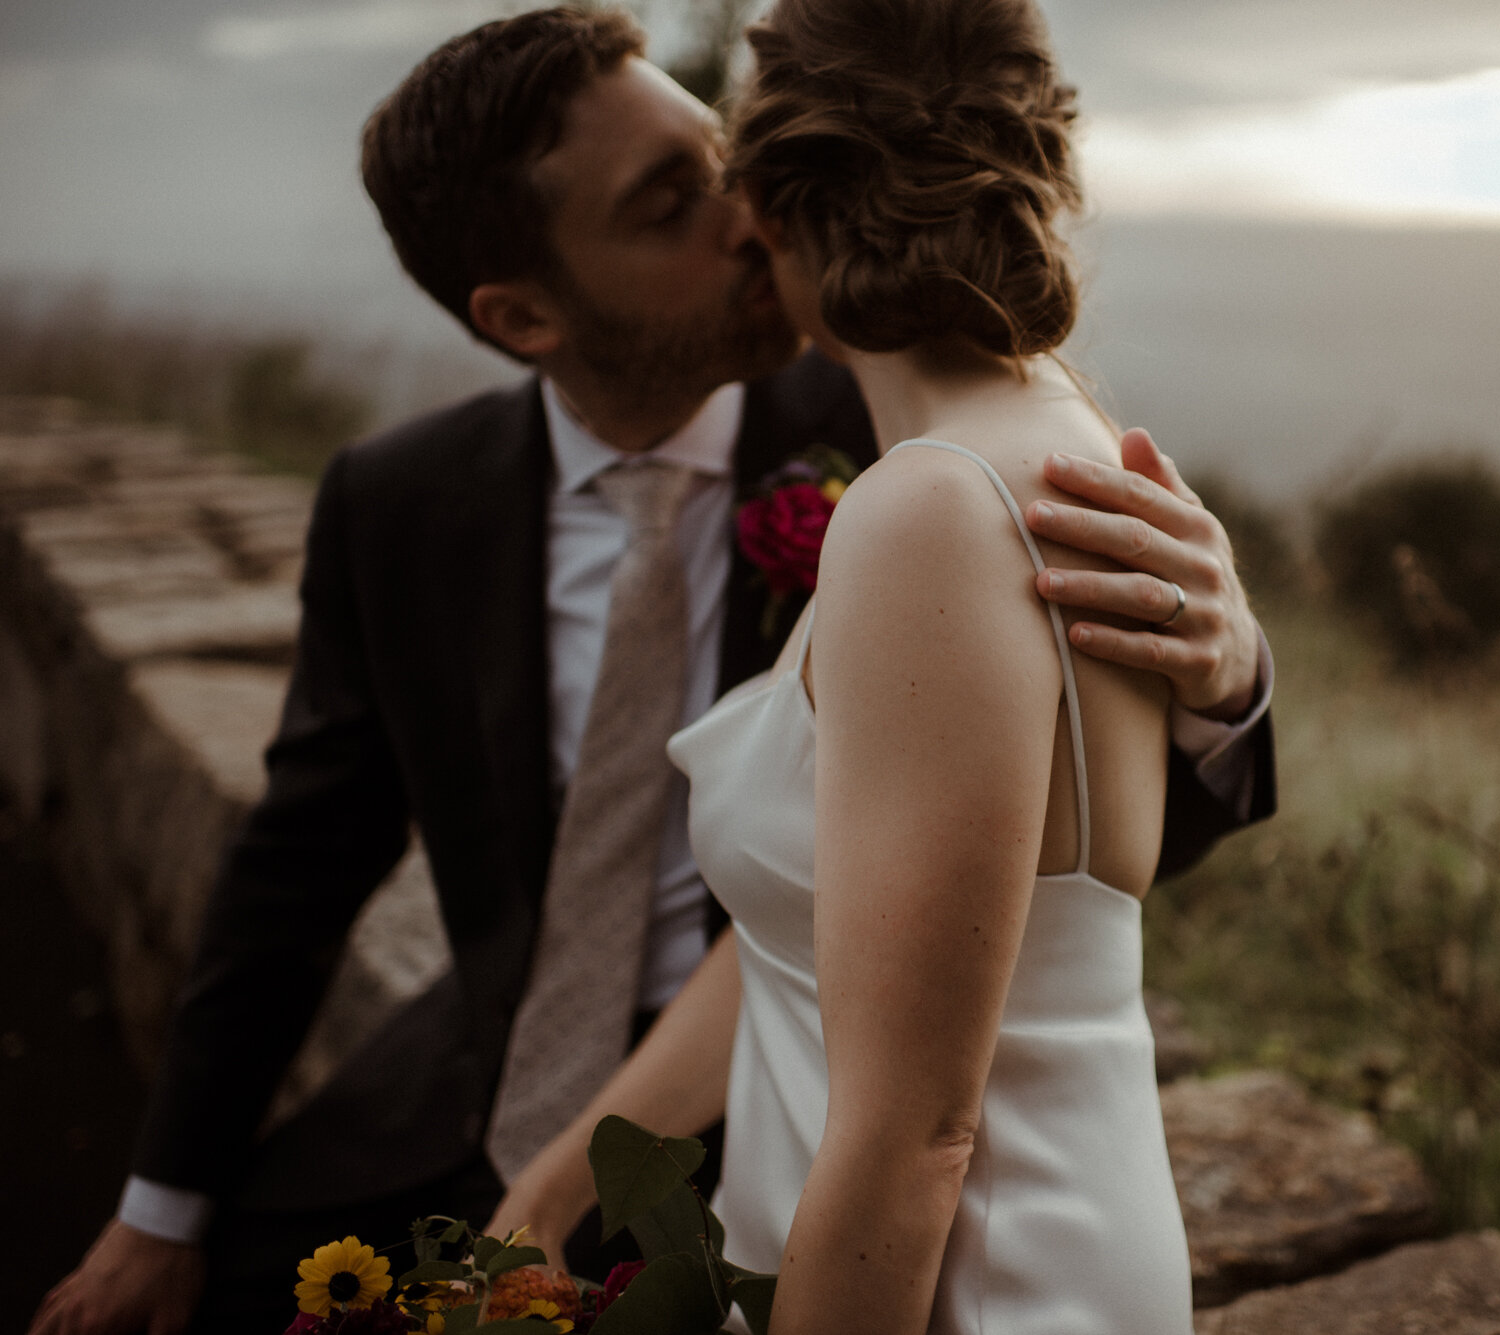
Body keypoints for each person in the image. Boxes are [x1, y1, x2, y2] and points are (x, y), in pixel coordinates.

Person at [29, 8, 1273, 1335]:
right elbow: (299, 861)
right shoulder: (399, 503)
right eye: (671, 203)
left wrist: (1226, 683)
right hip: (502, 1087)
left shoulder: (907, 434)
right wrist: (160, 1213)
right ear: (523, 313)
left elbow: (1037, 873)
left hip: (809, 1159)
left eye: (727, 157)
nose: (746, 218)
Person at [488, 1, 1239, 1330]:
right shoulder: (1046, 426)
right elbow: (836, 922)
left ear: (774, 204)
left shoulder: (930, 511)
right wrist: (558, 1181)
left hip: (980, 1285)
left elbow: (917, 1139)